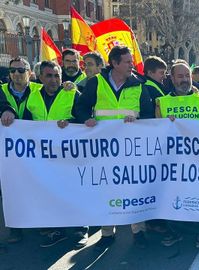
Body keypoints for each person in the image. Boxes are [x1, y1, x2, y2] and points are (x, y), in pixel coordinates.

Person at [76, 45, 154, 250]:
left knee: (133, 188)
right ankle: (107, 232)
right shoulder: (96, 83)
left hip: (131, 150)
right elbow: (80, 107)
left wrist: (137, 121)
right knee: (106, 189)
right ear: (115, 63)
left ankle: (138, 231)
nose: (132, 65)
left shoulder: (139, 86)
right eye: (128, 62)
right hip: (104, 148)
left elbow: (148, 116)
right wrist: (86, 119)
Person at [19, 61, 85, 248]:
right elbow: (25, 125)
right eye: (49, 76)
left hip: (70, 154)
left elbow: (84, 118)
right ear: (40, 78)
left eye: (57, 75)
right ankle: (57, 230)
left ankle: (80, 228)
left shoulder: (71, 93)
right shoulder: (32, 97)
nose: (54, 80)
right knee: (50, 192)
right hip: (44, 156)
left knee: (73, 191)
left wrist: (70, 122)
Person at [156, 62, 199, 248]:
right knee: (174, 199)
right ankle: (176, 232)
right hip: (173, 163)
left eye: (187, 76)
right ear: (172, 79)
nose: (184, 80)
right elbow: (157, 132)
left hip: (197, 161)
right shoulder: (162, 102)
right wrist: (166, 124)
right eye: (180, 76)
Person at [0, 57, 43, 244]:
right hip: (8, 152)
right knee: (11, 189)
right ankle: (15, 228)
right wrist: (6, 110)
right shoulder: (1, 91)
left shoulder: (39, 89)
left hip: (34, 150)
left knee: (36, 187)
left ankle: (39, 222)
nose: (16, 74)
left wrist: (68, 86)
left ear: (30, 73)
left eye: (20, 70)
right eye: (12, 71)